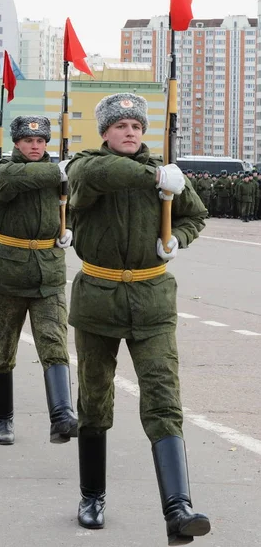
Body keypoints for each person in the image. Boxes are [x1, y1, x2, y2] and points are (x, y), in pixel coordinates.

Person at [66, 93, 210, 544]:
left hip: (151, 300)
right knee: (94, 400)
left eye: (136, 125)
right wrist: (159, 175)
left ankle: (178, 508)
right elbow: (102, 174)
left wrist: (177, 239)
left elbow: (196, 215)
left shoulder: (168, 177)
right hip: (98, 300)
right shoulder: (87, 166)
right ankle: (92, 496)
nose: (130, 132)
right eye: (121, 125)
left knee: (164, 398)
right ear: (104, 132)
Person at [0, 115, 77, 446]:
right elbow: (12, 183)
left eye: (40, 141)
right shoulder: (2, 171)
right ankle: (3, 420)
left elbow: (73, 209)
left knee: (54, 345)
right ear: (16, 143)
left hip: (49, 273)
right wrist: (62, 170)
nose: (35, 146)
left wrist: (71, 231)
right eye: (28, 141)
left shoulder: (60, 176)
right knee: (3, 350)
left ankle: (61, 417)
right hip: (9, 274)